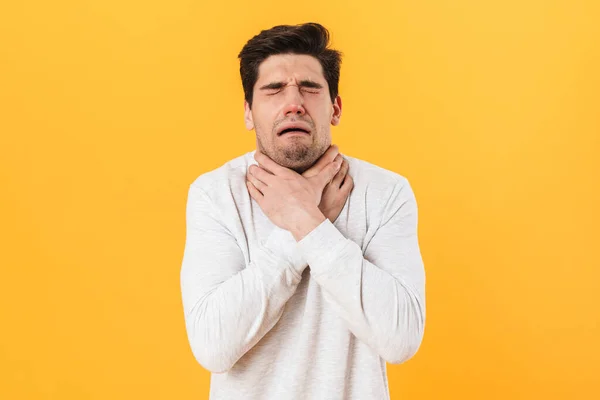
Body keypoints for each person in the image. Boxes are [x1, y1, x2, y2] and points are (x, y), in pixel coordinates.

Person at [180, 22, 426, 400]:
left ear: (336, 107)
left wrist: (307, 222)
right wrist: (303, 223)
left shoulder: (386, 192)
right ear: (249, 112)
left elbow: (401, 338)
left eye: (310, 88)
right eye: (274, 89)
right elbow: (213, 346)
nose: (293, 102)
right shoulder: (216, 194)